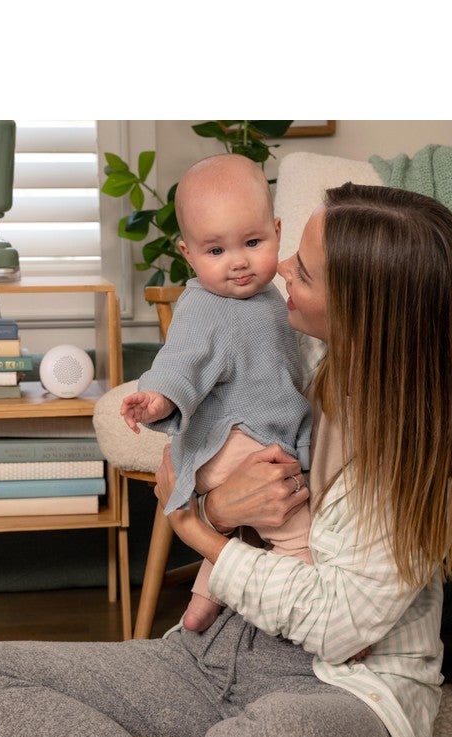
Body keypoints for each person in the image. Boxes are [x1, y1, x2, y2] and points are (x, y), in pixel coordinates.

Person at [0, 182, 452, 737]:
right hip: (214, 654)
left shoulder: (422, 448)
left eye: (302, 272)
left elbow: (336, 627)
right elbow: (208, 417)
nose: (278, 268)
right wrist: (215, 504)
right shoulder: (300, 355)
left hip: (342, 691)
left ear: (362, 309)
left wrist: (192, 527)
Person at [121, 154, 313, 633]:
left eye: (252, 242)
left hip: (258, 429)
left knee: (247, 529)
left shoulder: (271, 294)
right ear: (188, 255)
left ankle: (201, 604)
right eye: (216, 252)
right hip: (230, 439)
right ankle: (318, 616)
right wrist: (158, 397)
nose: (239, 262)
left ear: (277, 230)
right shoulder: (206, 307)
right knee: (296, 527)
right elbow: (180, 359)